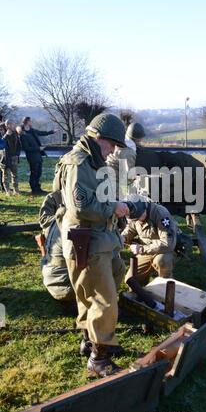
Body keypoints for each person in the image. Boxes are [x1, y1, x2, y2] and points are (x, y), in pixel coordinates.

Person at [52, 112, 129, 377]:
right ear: (98, 138)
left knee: (105, 282)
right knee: (103, 298)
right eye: (112, 145)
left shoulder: (92, 161)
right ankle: (100, 357)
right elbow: (82, 205)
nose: (112, 152)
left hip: (97, 237)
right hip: (86, 239)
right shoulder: (79, 163)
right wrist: (114, 208)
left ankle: (90, 338)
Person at [38, 191, 126, 342]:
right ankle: (98, 319)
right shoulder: (84, 223)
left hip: (54, 281)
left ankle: (86, 320)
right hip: (68, 286)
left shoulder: (63, 216)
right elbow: (102, 257)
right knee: (116, 266)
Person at [122, 198, 178, 286]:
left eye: (139, 217)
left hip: (164, 250)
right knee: (130, 280)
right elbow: (130, 229)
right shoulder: (135, 215)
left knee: (162, 261)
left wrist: (141, 249)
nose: (138, 221)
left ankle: (166, 285)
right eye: (135, 219)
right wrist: (123, 238)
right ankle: (141, 290)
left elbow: (168, 243)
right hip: (146, 251)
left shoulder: (161, 214)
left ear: (145, 209)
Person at [106, 122, 145, 198]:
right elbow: (127, 177)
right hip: (114, 186)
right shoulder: (129, 152)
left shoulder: (120, 143)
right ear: (138, 139)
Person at [20, 116, 55, 195]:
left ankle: (38, 188)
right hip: (32, 157)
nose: (31, 122)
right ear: (26, 122)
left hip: (38, 155)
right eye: (30, 121)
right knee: (34, 173)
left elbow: (41, 133)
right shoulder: (23, 134)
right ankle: (34, 190)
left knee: (39, 172)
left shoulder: (32, 131)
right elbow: (26, 148)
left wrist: (51, 132)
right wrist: (38, 148)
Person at [0, 120, 21, 195]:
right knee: (5, 175)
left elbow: (19, 145)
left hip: (14, 157)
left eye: (13, 124)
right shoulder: (2, 132)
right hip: (5, 158)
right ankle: (7, 191)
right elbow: (1, 144)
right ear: (7, 125)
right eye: (11, 124)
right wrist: (6, 135)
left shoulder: (15, 133)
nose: (13, 125)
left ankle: (16, 191)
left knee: (15, 175)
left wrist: (17, 154)